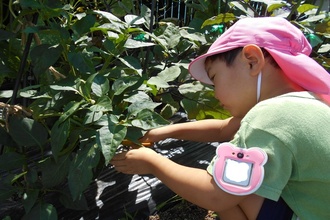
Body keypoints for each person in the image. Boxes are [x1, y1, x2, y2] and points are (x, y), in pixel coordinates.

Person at [111, 17, 330, 219]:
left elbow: (216, 194)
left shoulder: (271, 116)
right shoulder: (305, 102)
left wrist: (153, 163)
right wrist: (163, 131)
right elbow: (223, 130)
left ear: (252, 61)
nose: (215, 93)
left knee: (228, 183)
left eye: (215, 79)